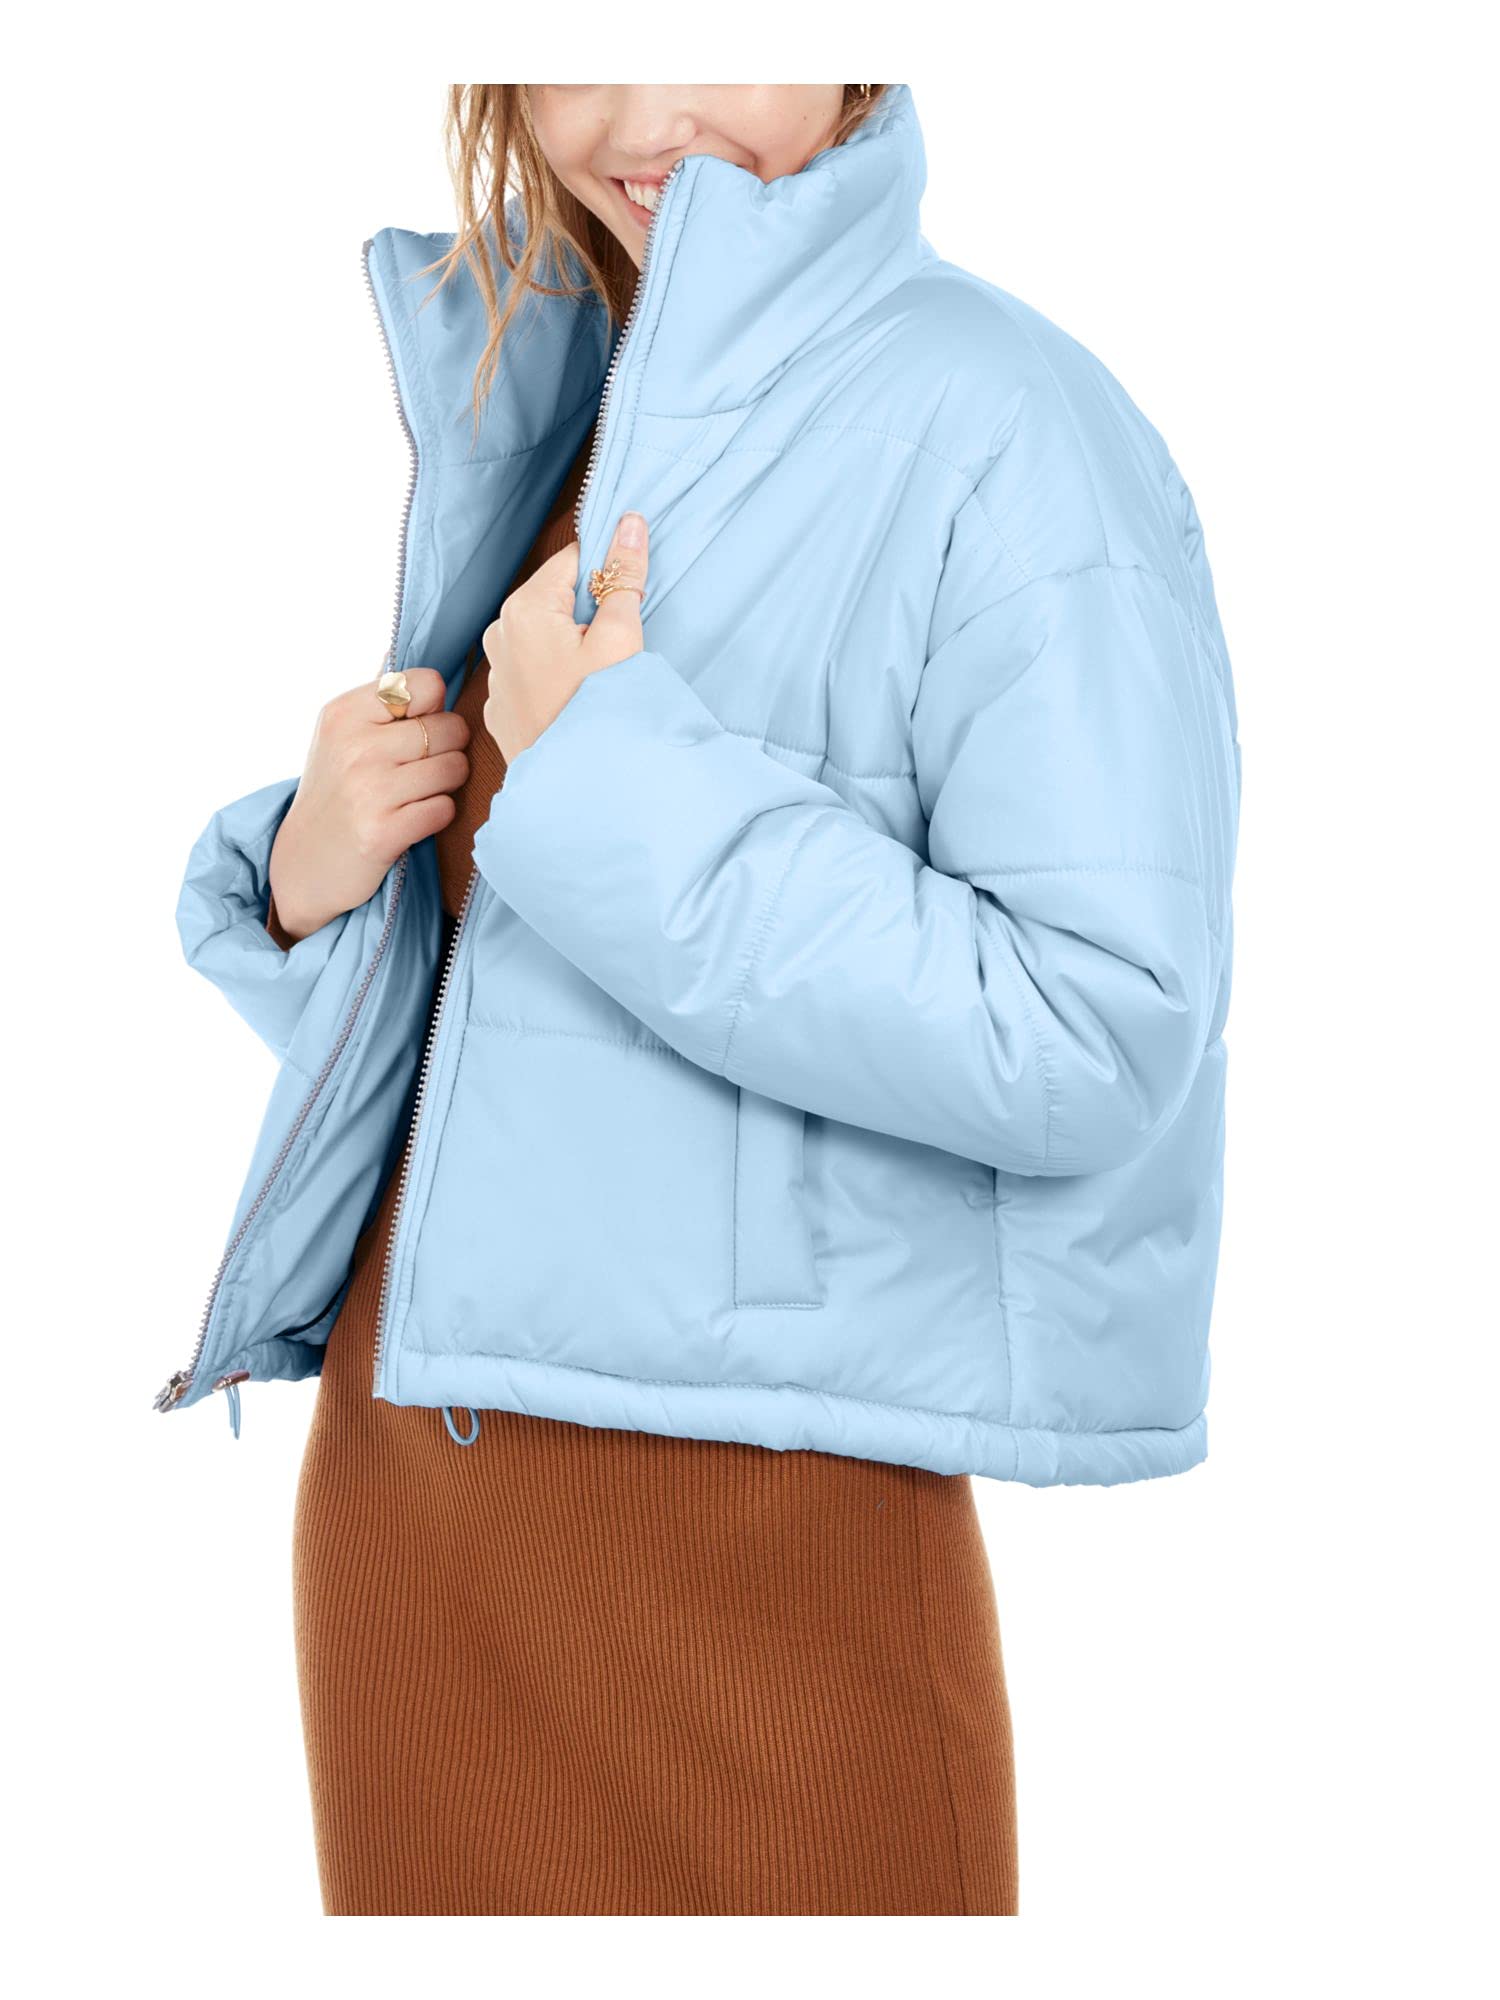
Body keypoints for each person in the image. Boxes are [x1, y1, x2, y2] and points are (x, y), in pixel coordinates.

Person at [160, 83, 1240, 1916]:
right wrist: (312, 881)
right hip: (414, 1517)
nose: (645, 108)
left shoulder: (1010, 425)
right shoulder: (554, 385)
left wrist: (611, 785)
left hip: (774, 1548)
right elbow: (543, 1043)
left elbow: (1095, 1031)